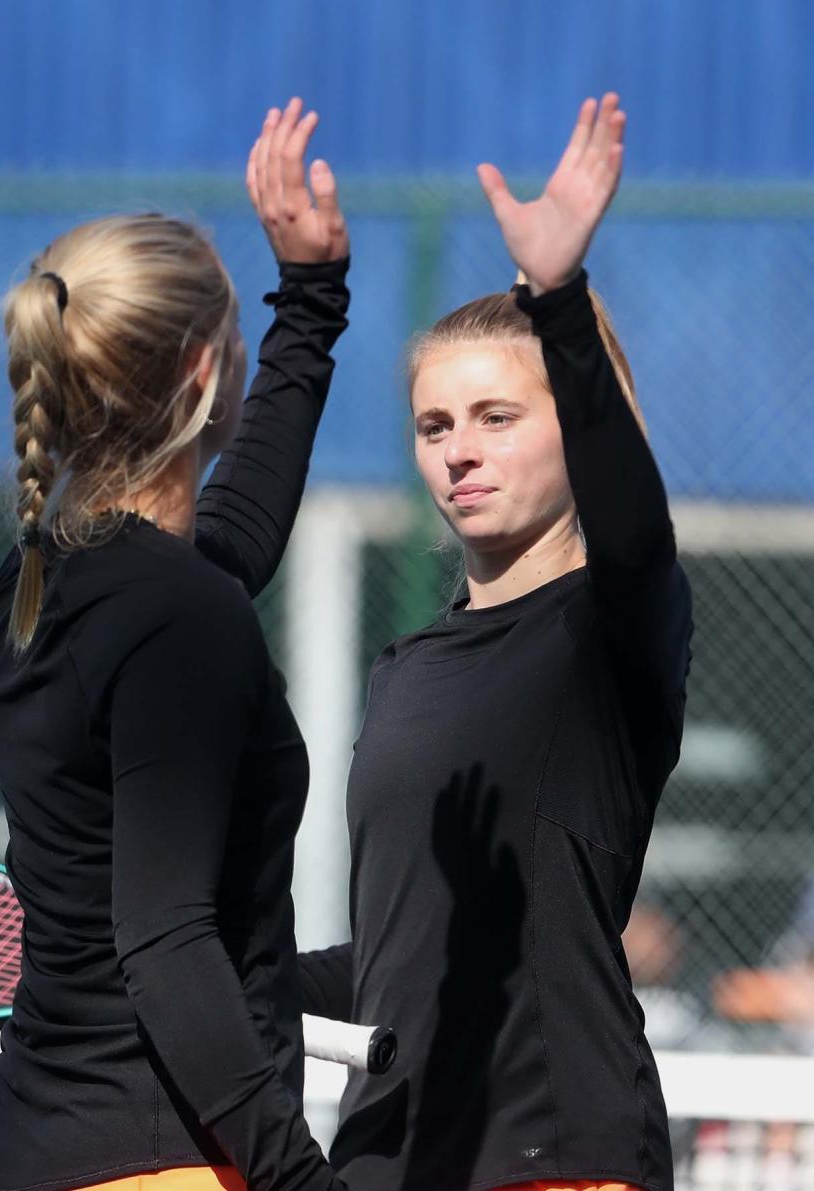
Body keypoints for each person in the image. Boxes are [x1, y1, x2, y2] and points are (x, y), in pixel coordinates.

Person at [299, 95, 693, 1191]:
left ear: (573, 422)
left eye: (496, 417)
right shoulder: (407, 669)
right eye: (435, 426)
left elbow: (631, 520)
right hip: (387, 1158)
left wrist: (557, 301)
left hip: (548, 1153)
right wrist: (213, 976)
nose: (459, 452)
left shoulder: (612, 625)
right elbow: (395, 959)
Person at [0, 98, 352, 1191]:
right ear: (199, 374)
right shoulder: (178, 615)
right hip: (160, 1164)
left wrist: (309, 303)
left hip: (27, 1154)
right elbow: (168, 944)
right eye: (233, 339)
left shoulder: (34, 585)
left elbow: (227, 541)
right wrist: (297, 1178)